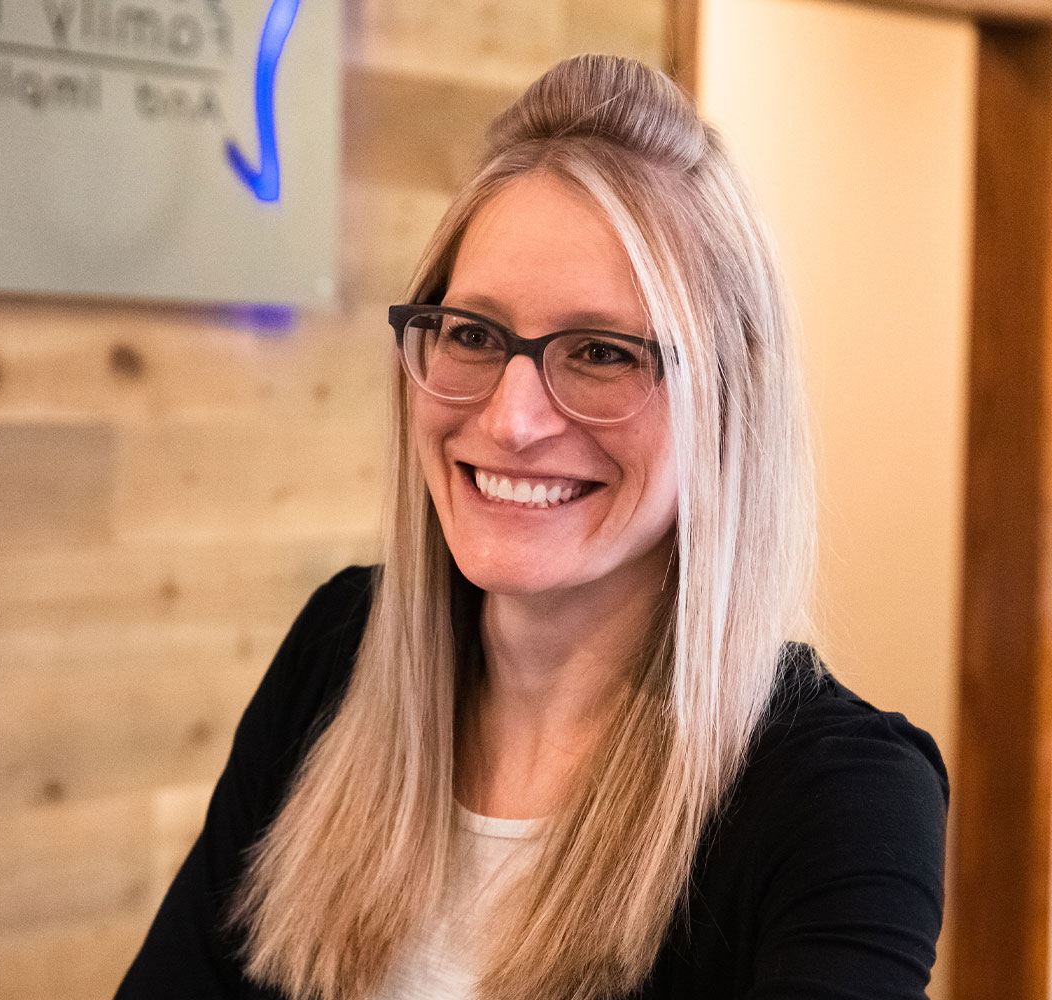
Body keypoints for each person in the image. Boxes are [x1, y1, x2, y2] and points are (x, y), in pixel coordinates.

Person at [117, 54, 946, 1000]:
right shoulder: (339, 652)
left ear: (732, 401)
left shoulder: (840, 797)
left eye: (601, 353)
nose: (513, 421)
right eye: (472, 334)